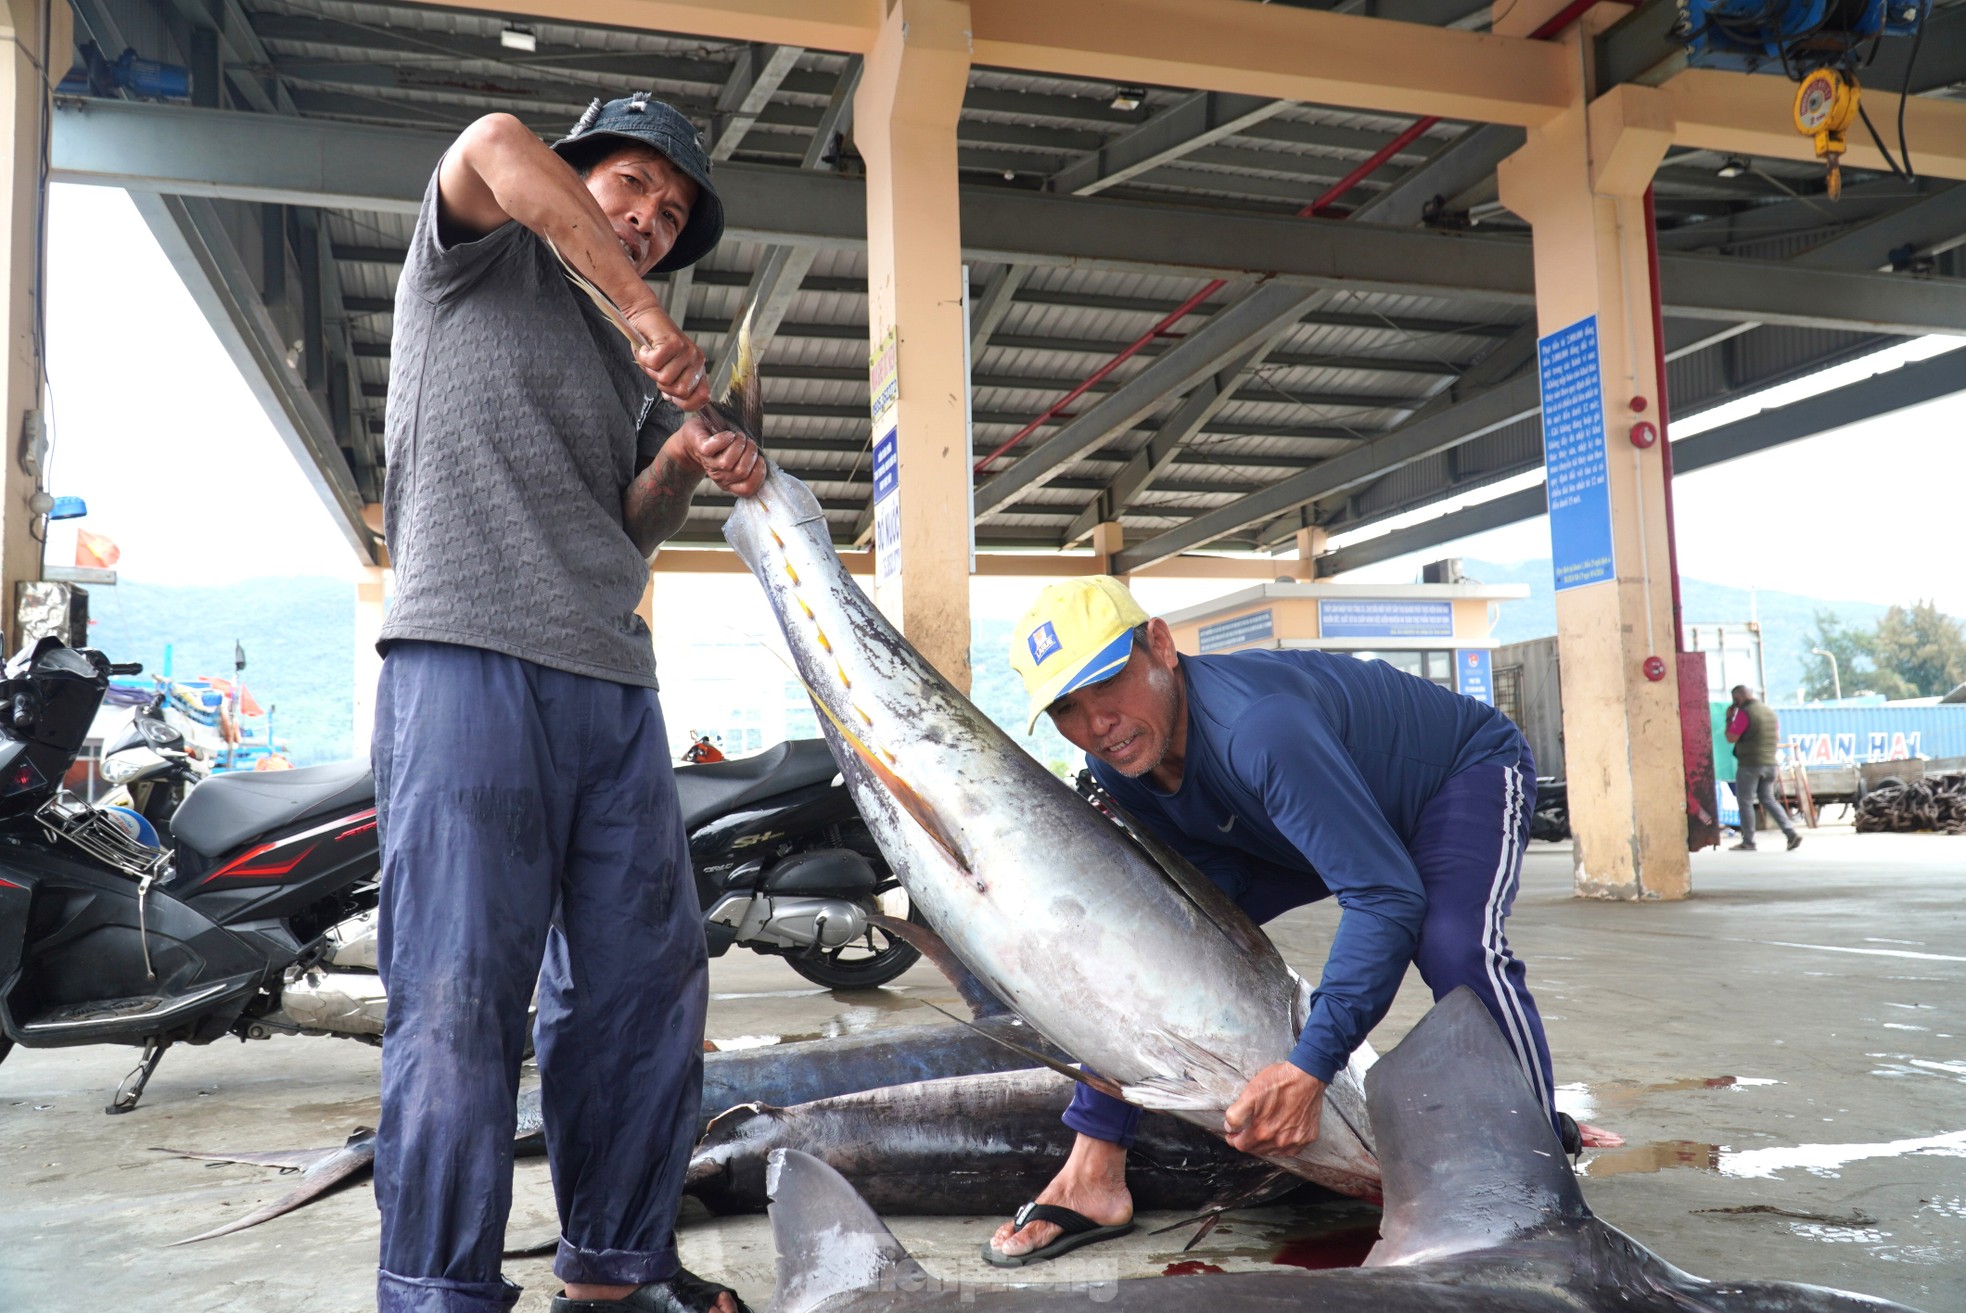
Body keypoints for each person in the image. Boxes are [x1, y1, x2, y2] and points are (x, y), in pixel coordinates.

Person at [372, 94, 764, 1313]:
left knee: (643, 992)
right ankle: (439, 1289)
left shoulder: (626, 370)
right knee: (460, 995)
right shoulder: (473, 254)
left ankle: (613, 1270)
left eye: (669, 212)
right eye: (632, 186)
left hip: (610, 677)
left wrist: (687, 461)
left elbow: (628, 524)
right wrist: (650, 315)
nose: (647, 218)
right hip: (465, 656)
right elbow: (492, 141)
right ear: (578, 170)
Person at [989, 577, 1619, 1266]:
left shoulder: (1263, 729)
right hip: (1291, 821)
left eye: (1107, 683)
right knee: (1150, 944)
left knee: (1451, 942)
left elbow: (1384, 896)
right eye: (1064, 707)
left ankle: (1537, 1162)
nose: (1096, 723)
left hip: (1454, 777)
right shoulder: (1115, 772)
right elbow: (1163, 940)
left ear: (1161, 645)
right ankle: (1093, 1169)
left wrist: (1309, 1065)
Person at [1726, 684, 1802, 852]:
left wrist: (1728, 718)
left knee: (1745, 801)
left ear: (1738, 698)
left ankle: (1749, 841)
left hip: (1750, 765)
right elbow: (1776, 737)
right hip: (1770, 765)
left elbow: (1731, 737)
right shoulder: (1769, 712)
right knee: (1768, 799)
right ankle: (1790, 833)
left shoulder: (1745, 713)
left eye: (1734, 700)